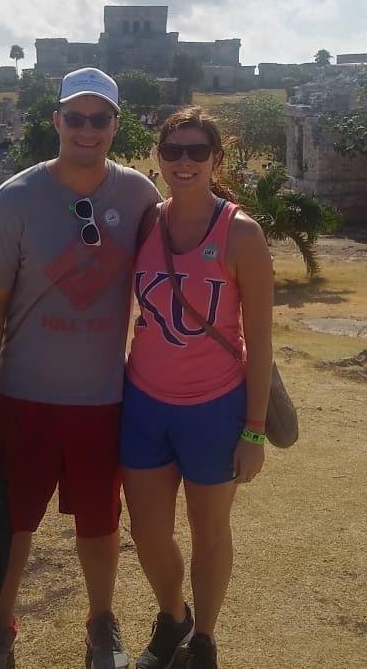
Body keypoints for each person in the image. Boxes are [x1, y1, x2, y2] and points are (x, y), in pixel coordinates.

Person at [0, 67, 160, 669]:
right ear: (55, 121)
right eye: (75, 117)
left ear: (115, 126)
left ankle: (102, 624)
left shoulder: (139, 196)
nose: (87, 129)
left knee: (101, 526)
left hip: (103, 398)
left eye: (100, 119)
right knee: (14, 522)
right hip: (24, 394)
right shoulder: (14, 198)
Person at [121, 107, 274, 669]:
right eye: (172, 151)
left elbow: (259, 339)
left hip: (215, 406)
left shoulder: (241, 233)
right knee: (147, 532)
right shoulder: (145, 223)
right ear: (159, 158)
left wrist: (253, 432)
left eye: (196, 151)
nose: (183, 162)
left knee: (210, 531)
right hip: (144, 402)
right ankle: (173, 615)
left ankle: (204, 639)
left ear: (216, 159)